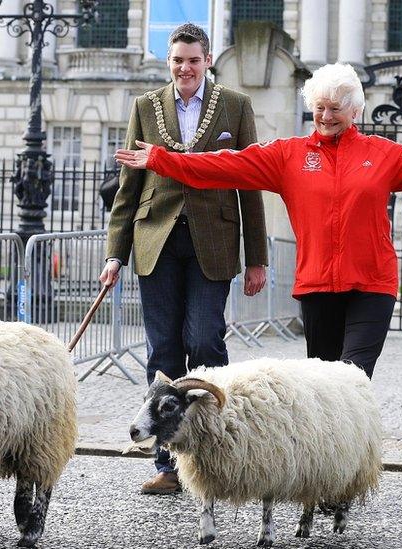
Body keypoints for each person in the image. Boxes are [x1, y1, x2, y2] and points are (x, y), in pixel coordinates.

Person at [116, 62, 402, 381]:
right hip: (318, 286)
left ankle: (349, 476)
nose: (326, 116)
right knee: (325, 390)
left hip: (371, 283)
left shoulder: (384, 154)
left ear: (355, 110)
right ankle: (326, 483)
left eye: (335, 108)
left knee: (351, 381)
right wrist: (162, 160)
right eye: (319, 108)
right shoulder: (287, 155)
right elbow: (224, 166)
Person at [99, 23, 269, 495]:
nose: (185, 68)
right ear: (168, 62)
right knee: (163, 352)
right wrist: (115, 254)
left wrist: (257, 257)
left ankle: (219, 452)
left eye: (193, 60)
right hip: (156, 241)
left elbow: (250, 184)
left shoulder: (235, 106)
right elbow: (128, 187)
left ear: (207, 60)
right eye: (177, 60)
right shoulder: (145, 107)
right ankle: (167, 464)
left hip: (212, 243)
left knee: (205, 342)